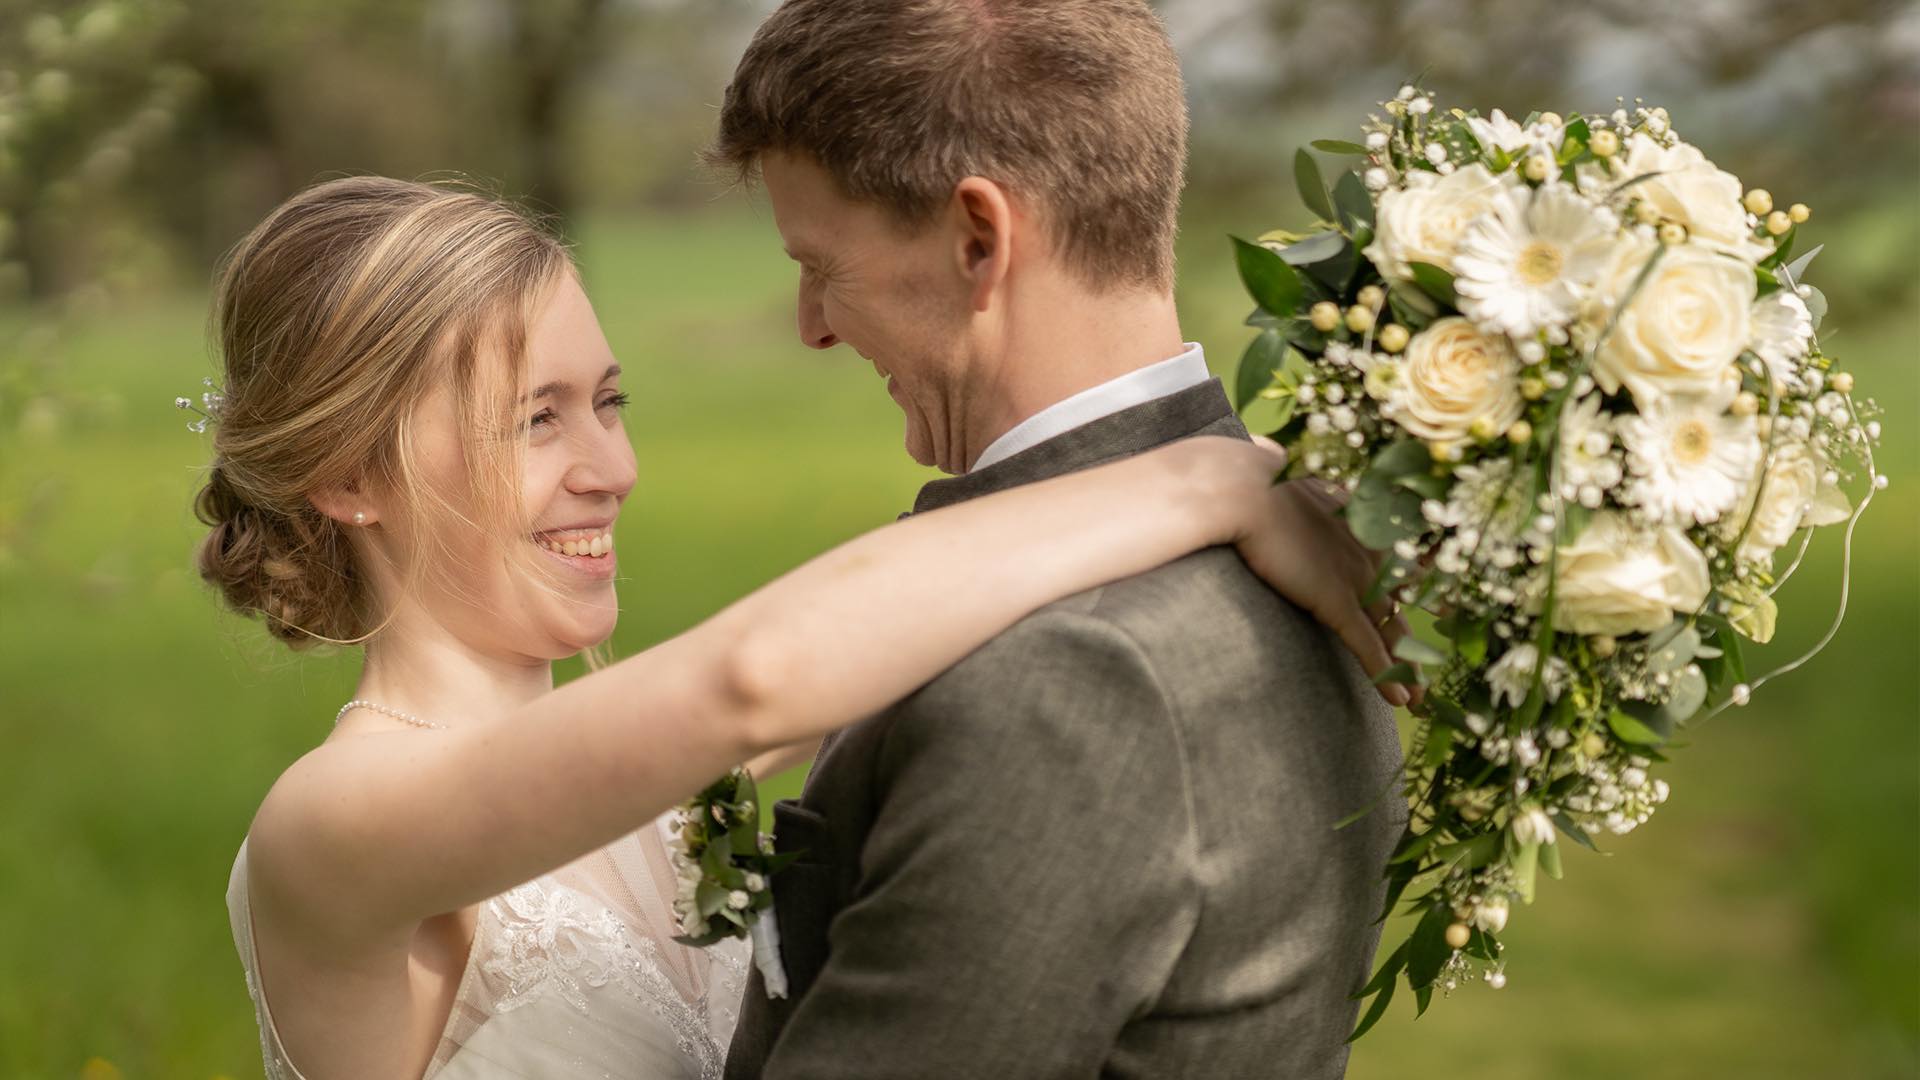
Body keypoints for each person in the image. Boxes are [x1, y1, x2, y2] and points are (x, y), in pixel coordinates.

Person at [203, 175, 1403, 1079]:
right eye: (535, 422)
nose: (609, 468)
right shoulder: (332, 828)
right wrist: (1205, 485)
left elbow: (875, 649)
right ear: (350, 477)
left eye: (609, 403)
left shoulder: (658, 790)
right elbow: (764, 677)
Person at [706, 2, 1409, 1077]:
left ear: (978, 239)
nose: (810, 326)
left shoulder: (1066, 683)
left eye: (822, 265)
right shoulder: (1295, 549)